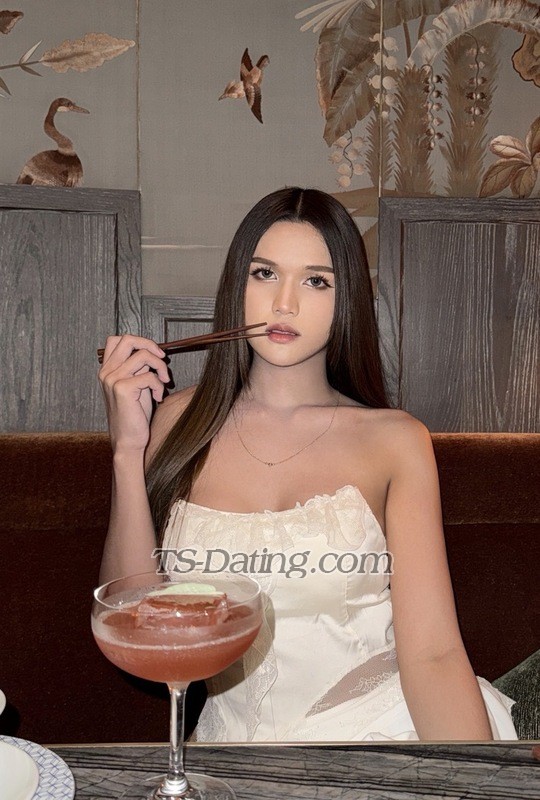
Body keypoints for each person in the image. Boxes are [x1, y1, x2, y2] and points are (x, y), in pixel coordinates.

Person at [98, 186, 517, 742]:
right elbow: (133, 619)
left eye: (316, 281)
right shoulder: (176, 422)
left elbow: (433, 655)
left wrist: (473, 778)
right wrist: (126, 452)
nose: (284, 304)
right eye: (265, 274)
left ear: (347, 301)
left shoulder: (395, 441)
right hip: (228, 753)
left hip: (379, 733)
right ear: (237, 285)